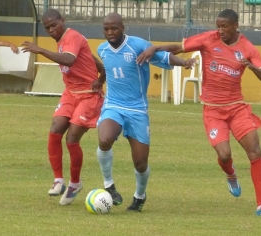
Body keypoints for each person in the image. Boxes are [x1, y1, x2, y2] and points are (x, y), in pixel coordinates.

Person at [137, 9, 261, 218]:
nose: (220, 30)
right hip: (213, 110)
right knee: (224, 154)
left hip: (237, 108)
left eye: (224, 26)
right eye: (218, 26)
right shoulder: (208, 40)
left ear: (236, 26)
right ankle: (231, 174)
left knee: (255, 151)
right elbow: (179, 47)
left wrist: (252, 67)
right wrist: (155, 48)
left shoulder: (247, 48)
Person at [96, 12, 196, 212]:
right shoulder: (102, 49)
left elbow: (163, 57)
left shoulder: (138, 45)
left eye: (114, 28)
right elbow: (108, 68)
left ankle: (139, 196)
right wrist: (100, 81)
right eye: (106, 28)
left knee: (140, 163)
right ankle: (109, 185)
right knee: (104, 139)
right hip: (113, 105)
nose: (110, 32)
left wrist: (184, 63)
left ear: (123, 27)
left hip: (137, 110)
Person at [21, 9, 105, 206]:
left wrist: (40, 50)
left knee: (72, 138)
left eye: (54, 25)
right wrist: (102, 75)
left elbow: (69, 60)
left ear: (63, 21)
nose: (51, 30)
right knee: (55, 128)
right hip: (70, 92)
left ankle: (75, 184)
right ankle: (58, 179)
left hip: (88, 96)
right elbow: (96, 63)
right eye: (47, 27)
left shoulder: (72, 36)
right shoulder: (65, 41)